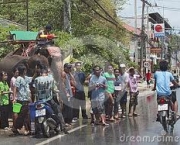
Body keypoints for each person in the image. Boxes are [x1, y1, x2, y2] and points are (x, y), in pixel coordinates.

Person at [34, 66, 69, 134]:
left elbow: (36, 90)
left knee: (36, 114)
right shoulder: (50, 79)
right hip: (48, 100)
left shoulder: (37, 79)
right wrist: (60, 92)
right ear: (47, 72)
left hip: (40, 100)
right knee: (58, 112)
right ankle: (63, 127)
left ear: (41, 73)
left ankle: (38, 130)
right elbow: (54, 89)